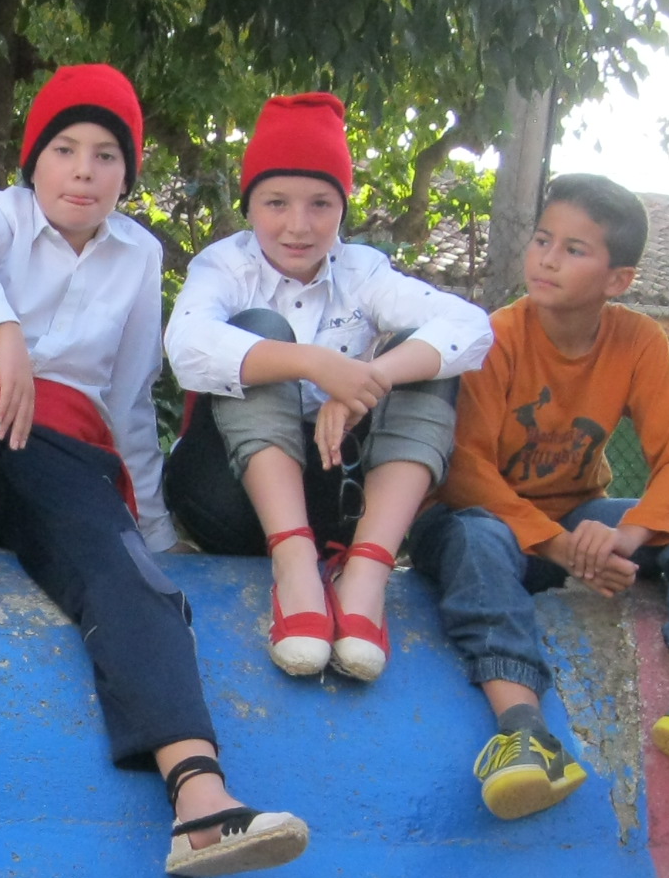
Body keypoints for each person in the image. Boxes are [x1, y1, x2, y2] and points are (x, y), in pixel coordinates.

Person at [0, 62, 307, 878]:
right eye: (65, 150)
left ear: (127, 174)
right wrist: (3, 330)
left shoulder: (138, 256)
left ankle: (200, 799)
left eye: (106, 155)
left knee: (128, 575)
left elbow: (129, 402)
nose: (84, 172)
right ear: (35, 160)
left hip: (53, 458)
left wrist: (152, 532)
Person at [411, 174, 669, 818]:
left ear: (618, 279)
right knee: (477, 537)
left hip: (576, 517)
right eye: (543, 240)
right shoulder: (495, 337)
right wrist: (563, 547)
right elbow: (465, 472)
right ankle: (522, 733)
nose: (547, 259)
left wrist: (628, 535)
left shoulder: (638, 339)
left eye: (574, 249)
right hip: (476, 522)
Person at [161, 91, 492, 681]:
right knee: (260, 331)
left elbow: (471, 327)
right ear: (249, 204)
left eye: (320, 204)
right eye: (276, 203)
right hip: (228, 497)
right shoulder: (223, 265)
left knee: (425, 356)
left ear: (343, 206)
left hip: (336, 501)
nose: (299, 225)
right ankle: (293, 570)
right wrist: (312, 363)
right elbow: (186, 347)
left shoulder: (363, 270)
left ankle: (366, 573)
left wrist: (374, 376)